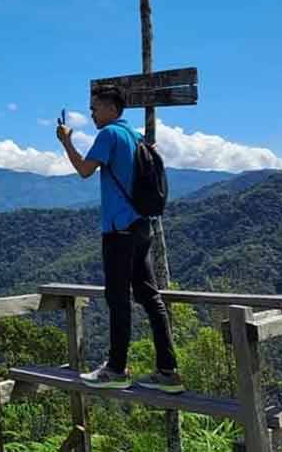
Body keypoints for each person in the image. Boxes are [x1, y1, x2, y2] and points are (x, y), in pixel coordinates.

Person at [55, 84, 184, 393]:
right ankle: (168, 371)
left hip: (118, 230)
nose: (92, 114)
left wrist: (66, 143)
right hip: (142, 227)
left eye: (95, 108)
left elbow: (85, 170)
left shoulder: (110, 134)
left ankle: (116, 369)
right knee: (151, 298)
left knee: (118, 299)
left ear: (112, 108)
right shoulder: (136, 137)